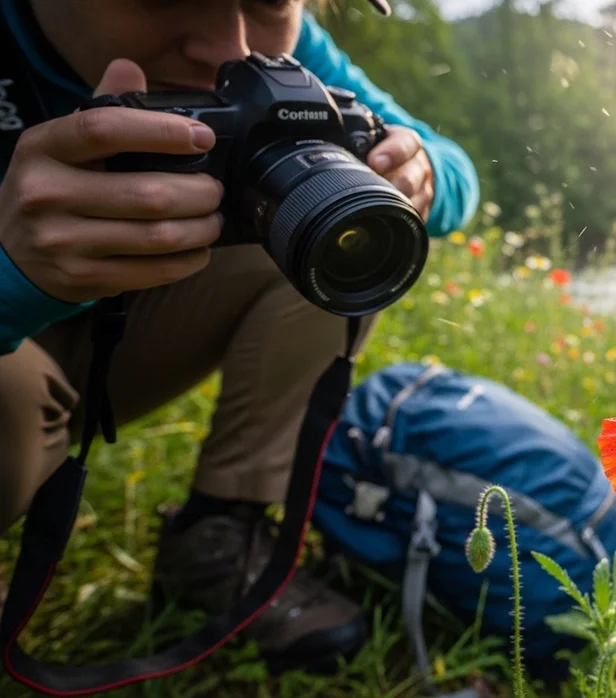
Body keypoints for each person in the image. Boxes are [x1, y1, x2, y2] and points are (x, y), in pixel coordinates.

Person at [0, 0, 479, 673]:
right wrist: (12, 277)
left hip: (117, 338)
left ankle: (220, 533)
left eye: (267, 1)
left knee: (326, 218)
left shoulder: (279, 51)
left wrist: (418, 170)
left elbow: (452, 164)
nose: (231, 48)